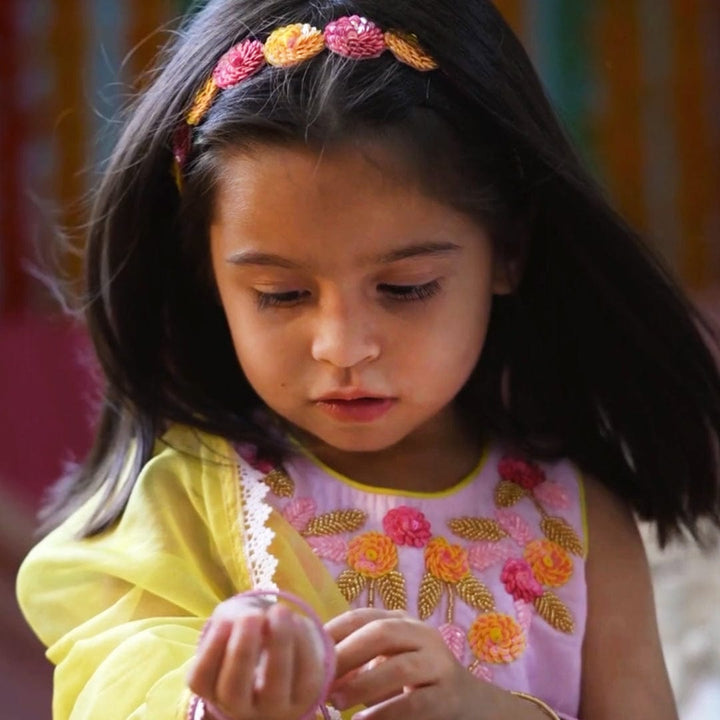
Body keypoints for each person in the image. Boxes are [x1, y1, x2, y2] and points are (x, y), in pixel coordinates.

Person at [16, 1, 720, 719]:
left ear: (508, 251)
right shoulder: (179, 508)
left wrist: (483, 710)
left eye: (405, 288)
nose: (343, 347)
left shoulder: (582, 522)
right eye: (281, 294)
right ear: (209, 278)